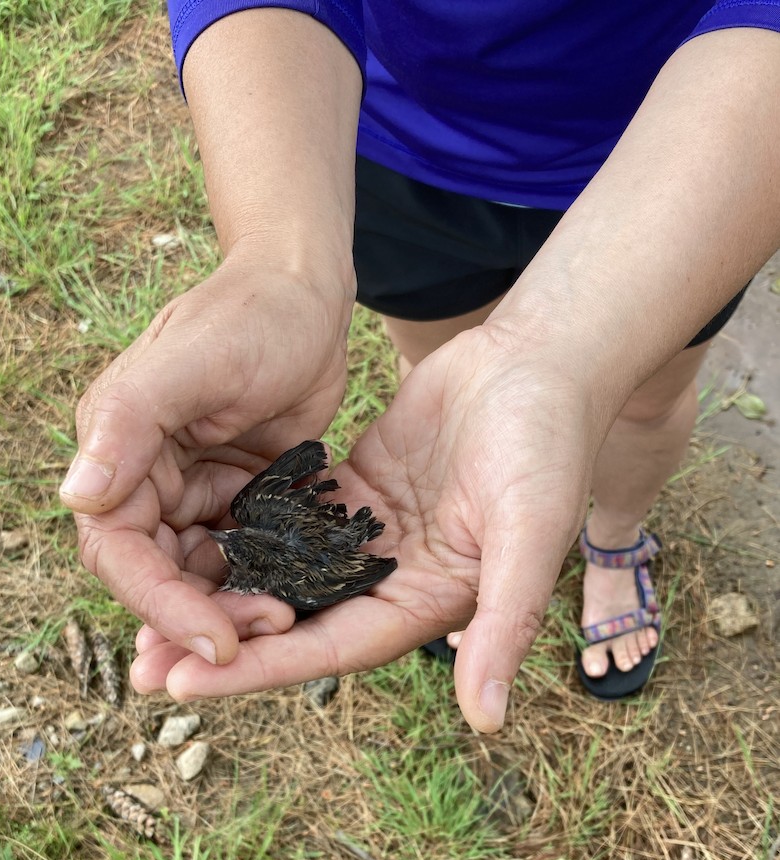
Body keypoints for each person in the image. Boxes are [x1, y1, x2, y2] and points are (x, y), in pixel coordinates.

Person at [59, 2, 780, 734]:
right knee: (440, 366)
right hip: (385, 143)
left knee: (645, 401)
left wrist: (558, 358)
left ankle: (617, 537)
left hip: (700, 157)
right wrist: (283, 262)